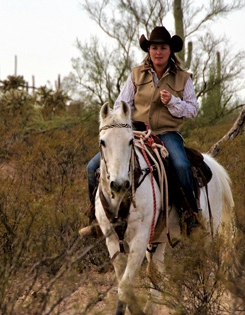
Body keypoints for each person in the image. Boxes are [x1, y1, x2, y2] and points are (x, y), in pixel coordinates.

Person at [80, 26, 200, 238]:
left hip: (166, 132)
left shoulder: (183, 78)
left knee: (181, 165)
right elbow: (121, 103)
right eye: (154, 48)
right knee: (92, 166)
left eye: (163, 47)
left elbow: (193, 110)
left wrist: (173, 102)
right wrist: (120, 125)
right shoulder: (136, 74)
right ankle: (96, 216)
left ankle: (190, 216)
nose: (158, 52)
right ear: (149, 50)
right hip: (135, 132)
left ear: (170, 50)